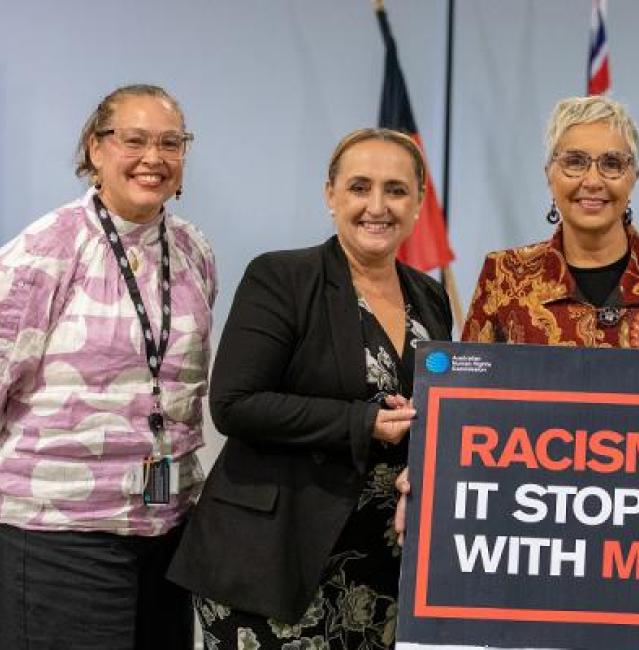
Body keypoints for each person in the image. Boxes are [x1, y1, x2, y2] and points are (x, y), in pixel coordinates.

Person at [396, 95, 639, 544]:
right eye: (574, 162)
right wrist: (428, 470)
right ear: (549, 174)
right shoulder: (506, 275)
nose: (593, 180)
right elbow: (463, 404)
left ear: (634, 178)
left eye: (612, 163)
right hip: (531, 528)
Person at [168, 127, 453, 649]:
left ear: (418, 203)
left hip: (382, 564)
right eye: (359, 187)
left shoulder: (430, 297)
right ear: (330, 195)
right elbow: (235, 404)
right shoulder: (281, 277)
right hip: (274, 561)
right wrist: (361, 423)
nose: (377, 206)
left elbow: (435, 407)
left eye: (395, 190)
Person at [0, 84, 215, 649]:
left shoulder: (194, 250)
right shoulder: (48, 247)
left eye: (171, 142)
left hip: (166, 528)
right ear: (96, 149)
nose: (154, 158)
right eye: (135, 140)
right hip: (58, 533)